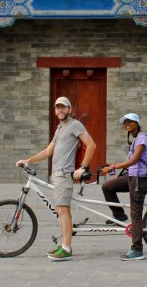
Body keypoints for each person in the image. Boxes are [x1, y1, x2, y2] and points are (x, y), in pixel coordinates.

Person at [16, 96, 96, 261]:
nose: (60, 110)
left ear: (69, 109)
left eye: (63, 107)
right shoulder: (60, 128)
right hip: (57, 174)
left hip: (64, 173)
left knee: (62, 209)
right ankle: (64, 244)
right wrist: (28, 160)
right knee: (61, 209)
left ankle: (66, 247)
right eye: (57, 108)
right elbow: (48, 151)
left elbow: (92, 145)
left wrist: (82, 167)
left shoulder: (75, 124)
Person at [100, 112, 147, 261]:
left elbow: (134, 160)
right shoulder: (134, 139)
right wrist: (113, 166)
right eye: (125, 122)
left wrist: (114, 167)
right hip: (131, 177)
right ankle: (119, 215)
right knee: (107, 186)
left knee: (135, 215)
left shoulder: (142, 138)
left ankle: (137, 250)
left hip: (139, 180)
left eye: (130, 121)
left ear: (137, 123)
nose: (127, 124)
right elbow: (129, 163)